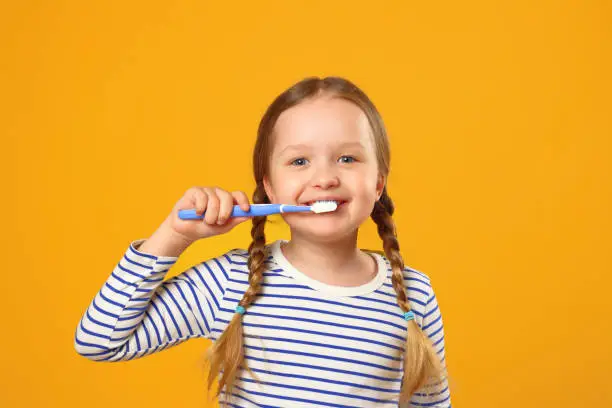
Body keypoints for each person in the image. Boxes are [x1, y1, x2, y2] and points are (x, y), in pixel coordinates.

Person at [74, 76, 452, 407]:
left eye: (348, 158)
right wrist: (174, 236)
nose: (324, 178)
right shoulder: (231, 283)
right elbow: (100, 341)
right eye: (299, 161)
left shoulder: (414, 295)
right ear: (269, 188)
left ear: (378, 182)